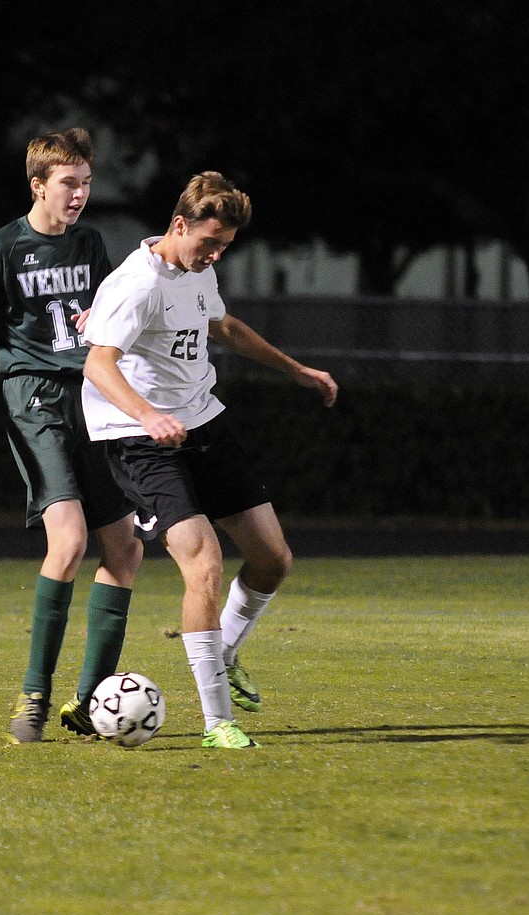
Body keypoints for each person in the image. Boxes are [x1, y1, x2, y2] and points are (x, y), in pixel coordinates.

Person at [81, 171, 338, 749]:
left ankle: (221, 650)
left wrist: (296, 370)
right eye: (209, 243)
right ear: (178, 225)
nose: (216, 254)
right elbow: (98, 364)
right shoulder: (136, 285)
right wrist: (147, 415)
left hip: (201, 421)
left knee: (273, 558)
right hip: (138, 436)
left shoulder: (199, 269)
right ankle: (218, 720)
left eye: (224, 246)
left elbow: (222, 325)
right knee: (204, 564)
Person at [0, 128, 142, 744]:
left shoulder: (91, 243)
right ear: (38, 184)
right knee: (69, 540)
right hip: (36, 401)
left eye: (87, 183)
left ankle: (90, 702)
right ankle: (34, 693)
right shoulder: (1, 248)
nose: (80, 194)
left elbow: (106, 315)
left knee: (124, 550)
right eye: (69, 183)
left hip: (95, 404)